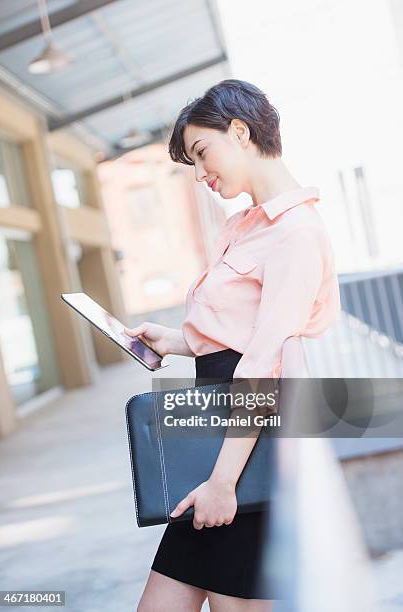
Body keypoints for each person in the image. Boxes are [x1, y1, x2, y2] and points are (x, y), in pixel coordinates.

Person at [124, 79, 341, 612]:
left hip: (248, 453)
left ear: (240, 132)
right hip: (216, 443)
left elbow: (263, 364)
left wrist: (224, 484)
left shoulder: (296, 234)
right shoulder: (241, 227)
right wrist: (175, 341)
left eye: (202, 152)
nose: (200, 174)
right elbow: (233, 338)